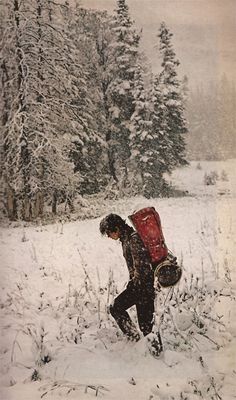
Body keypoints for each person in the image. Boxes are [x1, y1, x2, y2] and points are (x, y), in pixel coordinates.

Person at [99, 213, 155, 342]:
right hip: (139, 286)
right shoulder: (126, 239)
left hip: (144, 287)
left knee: (146, 326)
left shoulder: (133, 239)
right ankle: (137, 341)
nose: (108, 236)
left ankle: (154, 352)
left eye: (108, 232)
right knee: (117, 308)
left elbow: (142, 267)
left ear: (116, 228)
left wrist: (135, 284)